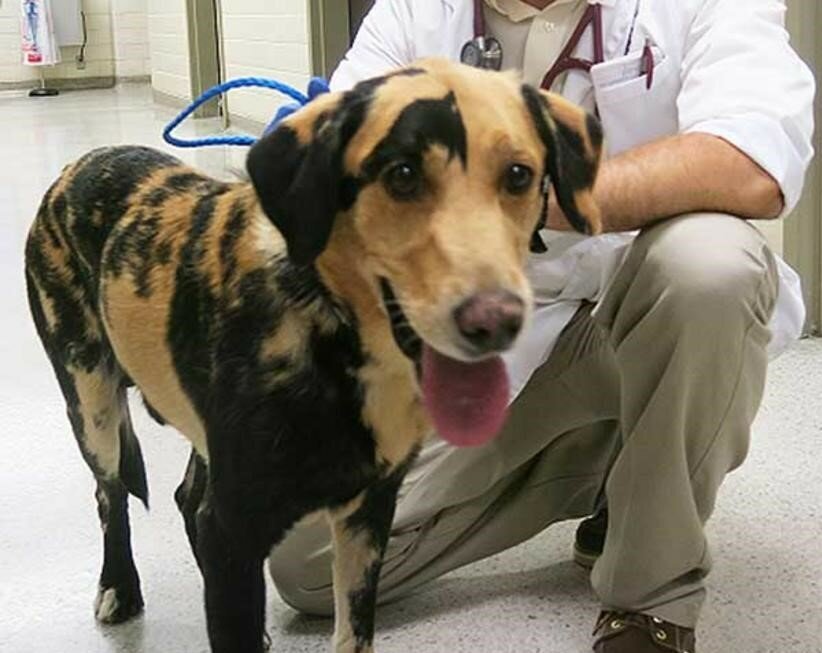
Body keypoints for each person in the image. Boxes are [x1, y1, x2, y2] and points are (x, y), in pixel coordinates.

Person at [267, 1, 816, 651]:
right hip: (495, 334)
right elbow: (340, 167)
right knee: (309, 561)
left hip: (645, 312)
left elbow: (751, 160)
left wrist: (519, 188)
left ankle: (650, 600)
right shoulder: (415, 12)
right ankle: (622, 471)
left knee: (710, 264)